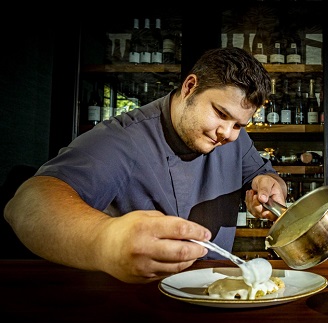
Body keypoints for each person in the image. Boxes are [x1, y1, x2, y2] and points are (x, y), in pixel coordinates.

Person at [4, 47, 287, 284]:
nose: (227, 133)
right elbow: (27, 204)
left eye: (239, 124)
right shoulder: (121, 138)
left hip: (216, 290)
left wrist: (270, 183)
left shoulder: (233, 137)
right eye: (220, 113)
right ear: (190, 87)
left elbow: (260, 173)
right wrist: (107, 240)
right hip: (136, 300)